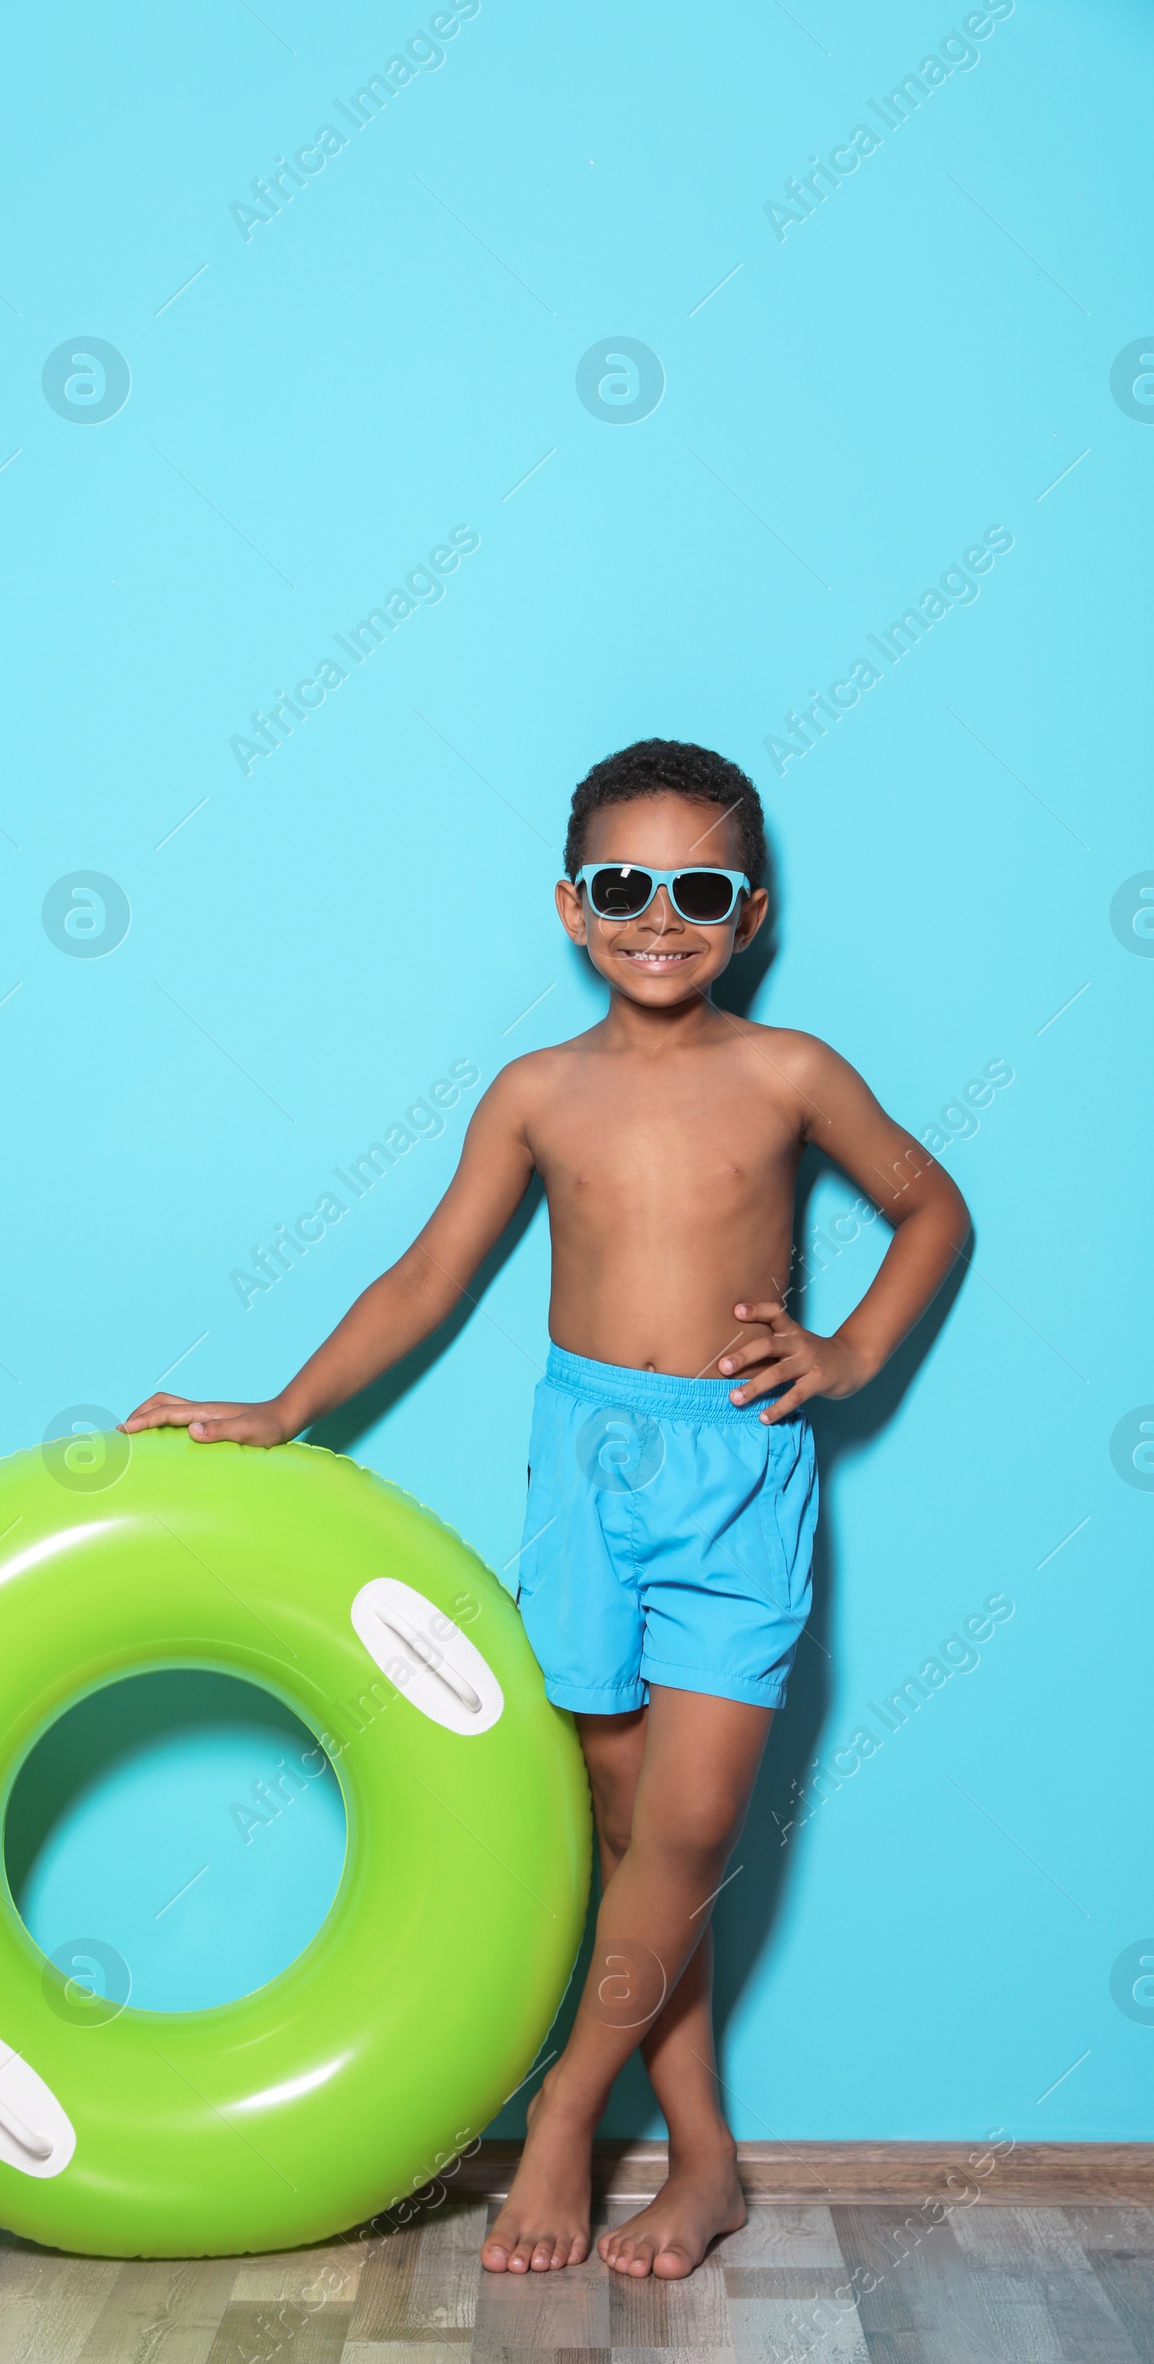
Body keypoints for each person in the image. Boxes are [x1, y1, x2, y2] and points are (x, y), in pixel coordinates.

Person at [122, 738, 969, 2280]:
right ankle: (704, 2161)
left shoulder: (790, 1074)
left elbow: (931, 1205)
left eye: (698, 889)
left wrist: (846, 1353)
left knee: (695, 1826)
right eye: (624, 887)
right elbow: (431, 1277)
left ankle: (567, 2109)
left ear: (751, 913)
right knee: (635, 1836)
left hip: (737, 1464)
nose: (662, 916)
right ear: (574, 908)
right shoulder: (537, 1092)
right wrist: (283, 1406)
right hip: (586, 1472)